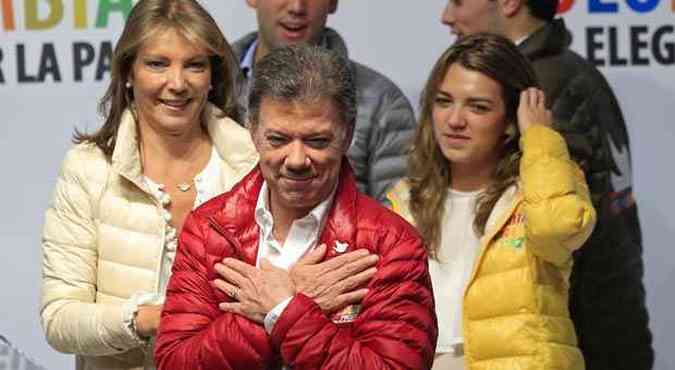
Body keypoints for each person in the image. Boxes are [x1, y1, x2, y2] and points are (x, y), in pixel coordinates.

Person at [154, 44, 437, 370]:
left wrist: (286, 310)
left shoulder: (392, 244)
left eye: (317, 141)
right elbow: (175, 362)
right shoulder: (208, 229)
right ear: (253, 131)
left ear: (347, 136)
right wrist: (292, 304)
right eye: (278, 139)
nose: (297, 160)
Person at [40, 1, 259, 369]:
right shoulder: (88, 168)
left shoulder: (252, 167)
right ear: (128, 72)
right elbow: (59, 318)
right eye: (158, 64)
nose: (177, 83)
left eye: (194, 65)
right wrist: (148, 319)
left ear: (212, 77)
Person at [440, 1, 653, 369]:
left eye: (459, 0)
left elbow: (566, 230)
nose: (446, 16)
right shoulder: (568, 74)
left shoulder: (542, 88)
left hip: (575, 336)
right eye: (443, 103)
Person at [387, 34, 596, 370]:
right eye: (443, 101)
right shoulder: (404, 201)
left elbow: (557, 228)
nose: (455, 120)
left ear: (512, 119)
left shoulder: (542, 187)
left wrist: (540, 139)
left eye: (478, 107)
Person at [231, 0, 416, 203]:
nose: (296, 7)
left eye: (318, 141)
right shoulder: (206, 90)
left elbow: (401, 217)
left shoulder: (382, 103)